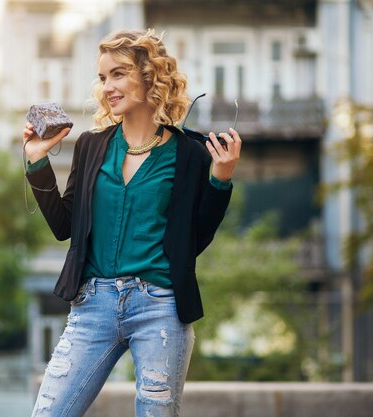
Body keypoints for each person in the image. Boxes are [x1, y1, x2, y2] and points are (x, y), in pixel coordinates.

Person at [22, 29, 241, 417]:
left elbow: (196, 237)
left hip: (159, 308)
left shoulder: (189, 153)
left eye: (119, 74)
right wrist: (37, 162)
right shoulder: (91, 145)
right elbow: (63, 226)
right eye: (104, 77)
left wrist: (220, 179)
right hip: (92, 305)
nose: (108, 86)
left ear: (149, 76)